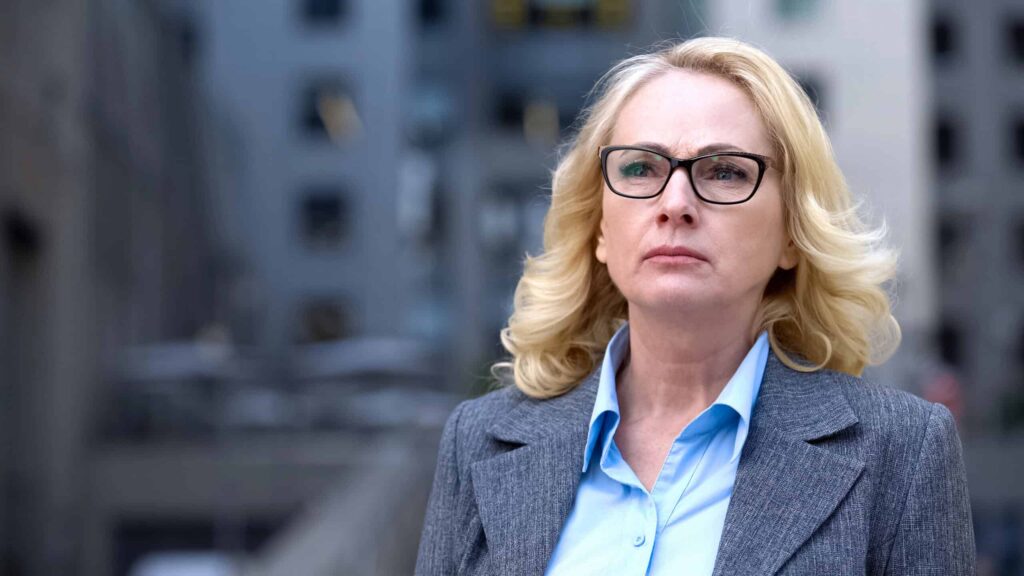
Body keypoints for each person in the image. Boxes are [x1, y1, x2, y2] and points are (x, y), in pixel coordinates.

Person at [414, 37, 975, 576]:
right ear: (600, 228)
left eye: (725, 171)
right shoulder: (479, 440)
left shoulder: (903, 451)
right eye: (640, 168)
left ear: (791, 233)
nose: (675, 203)